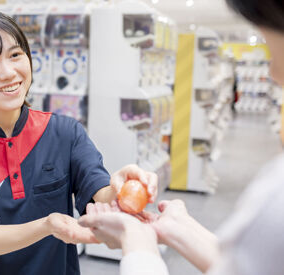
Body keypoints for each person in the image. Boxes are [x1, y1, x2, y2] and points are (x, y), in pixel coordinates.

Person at [0, 10, 158, 275]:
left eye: (15, 55)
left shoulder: (65, 132)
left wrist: (122, 187)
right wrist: (49, 225)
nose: (8, 72)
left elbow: (101, 193)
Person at [79, 0, 284, 274]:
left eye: (273, 47)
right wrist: (180, 229)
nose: (273, 73)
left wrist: (137, 242)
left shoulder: (274, 199)